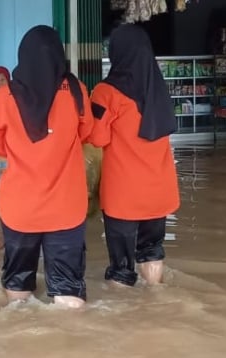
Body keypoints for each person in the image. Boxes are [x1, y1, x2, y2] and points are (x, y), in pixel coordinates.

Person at [0, 25, 94, 309]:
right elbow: (87, 133)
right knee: (69, 295)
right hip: (66, 207)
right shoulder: (76, 91)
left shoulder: (4, 96)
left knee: (18, 291)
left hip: (20, 208)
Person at [88, 24, 180, 287]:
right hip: (158, 190)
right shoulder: (159, 90)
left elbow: (97, 138)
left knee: (122, 266)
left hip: (124, 194)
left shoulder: (106, 93)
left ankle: (125, 320)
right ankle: (156, 298)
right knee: (152, 250)